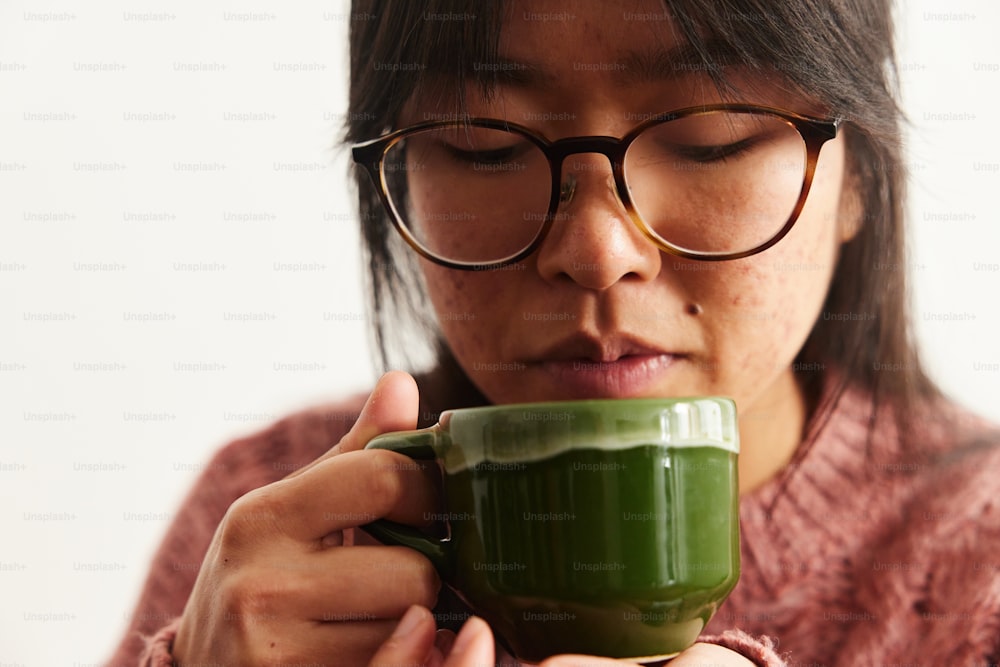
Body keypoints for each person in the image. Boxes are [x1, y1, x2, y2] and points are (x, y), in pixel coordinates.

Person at [108, 1, 1000, 666]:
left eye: (710, 135)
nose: (597, 250)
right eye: (482, 146)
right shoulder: (272, 525)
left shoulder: (978, 569)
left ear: (860, 180)